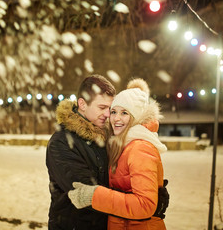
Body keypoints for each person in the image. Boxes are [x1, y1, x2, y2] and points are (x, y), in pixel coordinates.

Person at [68, 78, 168, 230]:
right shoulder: (122, 145)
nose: (116, 118)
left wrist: (95, 195)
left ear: (136, 117)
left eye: (124, 113)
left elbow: (145, 204)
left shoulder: (140, 148)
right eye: (113, 112)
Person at [46, 74, 116, 230]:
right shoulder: (61, 142)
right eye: (102, 107)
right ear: (82, 104)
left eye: (110, 108)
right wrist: (137, 203)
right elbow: (87, 193)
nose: (107, 114)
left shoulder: (106, 137)